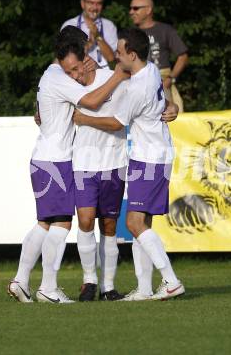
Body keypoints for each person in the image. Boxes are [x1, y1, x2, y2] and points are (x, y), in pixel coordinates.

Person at [7, 26, 128, 304]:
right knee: (60, 224)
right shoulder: (59, 77)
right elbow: (93, 100)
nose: (74, 74)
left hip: (47, 158)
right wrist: (118, 75)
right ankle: (45, 287)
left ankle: (22, 281)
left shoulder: (52, 73)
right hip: (55, 160)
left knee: (47, 224)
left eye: (76, 68)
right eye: (70, 69)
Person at [73, 28, 185, 301]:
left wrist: (84, 119)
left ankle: (171, 280)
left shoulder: (137, 87)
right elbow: (164, 102)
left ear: (131, 54)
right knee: (142, 223)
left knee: (134, 223)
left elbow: (115, 123)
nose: (116, 56)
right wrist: (173, 107)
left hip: (150, 158)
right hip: (154, 155)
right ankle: (144, 288)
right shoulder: (150, 71)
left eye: (120, 52)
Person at [129, 0, 188, 112]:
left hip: (162, 82)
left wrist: (170, 79)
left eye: (136, 8)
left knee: (169, 120)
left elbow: (183, 56)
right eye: (130, 8)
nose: (131, 12)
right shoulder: (130, 33)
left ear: (148, 9)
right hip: (137, 84)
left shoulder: (165, 30)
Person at [61, 0, 117, 68]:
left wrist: (97, 36)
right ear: (82, 3)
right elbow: (66, 58)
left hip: (105, 74)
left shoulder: (109, 25)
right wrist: (90, 43)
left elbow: (112, 60)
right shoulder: (70, 25)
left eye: (99, 3)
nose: (95, 8)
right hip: (79, 75)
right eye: (91, 3)